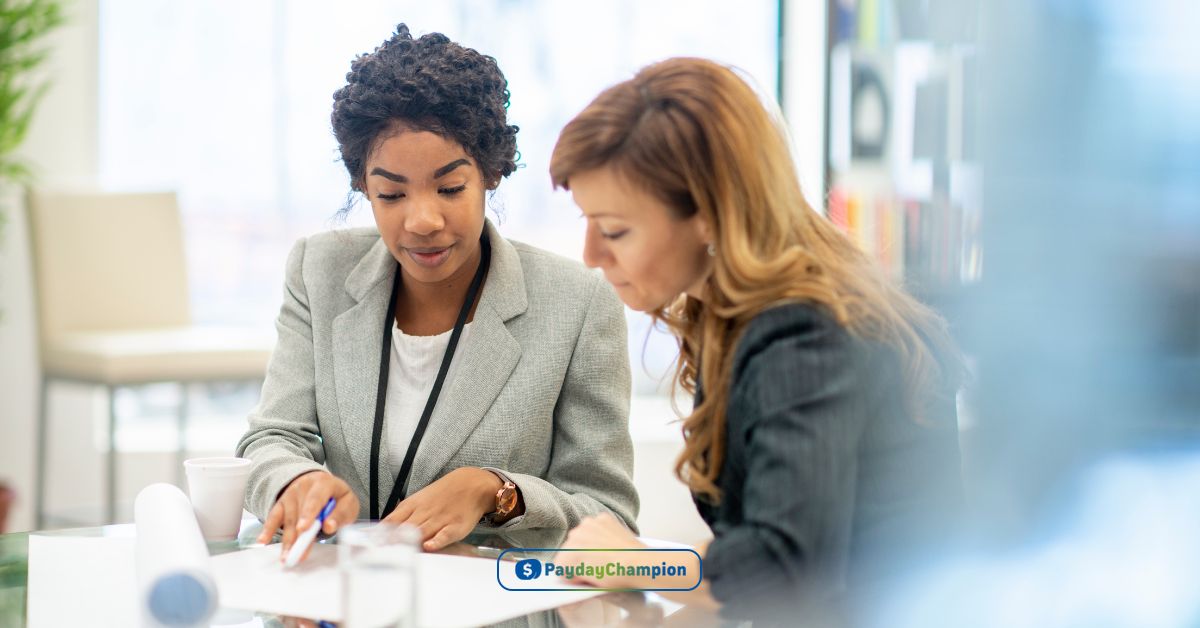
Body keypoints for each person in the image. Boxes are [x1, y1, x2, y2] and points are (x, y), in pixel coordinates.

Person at [549, 57, 964, 625]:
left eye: (616, 230)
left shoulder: (803, 333)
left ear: (709, 213)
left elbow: (781, 566)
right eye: (587, 224)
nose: (592, 256)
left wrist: (639, 563)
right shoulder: (737, 316)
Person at [236, 24, 638, 562]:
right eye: (391, 193)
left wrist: (498, 492)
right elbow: (272, 438)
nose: (422, 220)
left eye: (450, 188)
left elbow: (610, 516)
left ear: (492, 172)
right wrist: (295, 481)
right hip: (348, 604)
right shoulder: (320, 271)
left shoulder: (578, 305)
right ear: (363, 185)